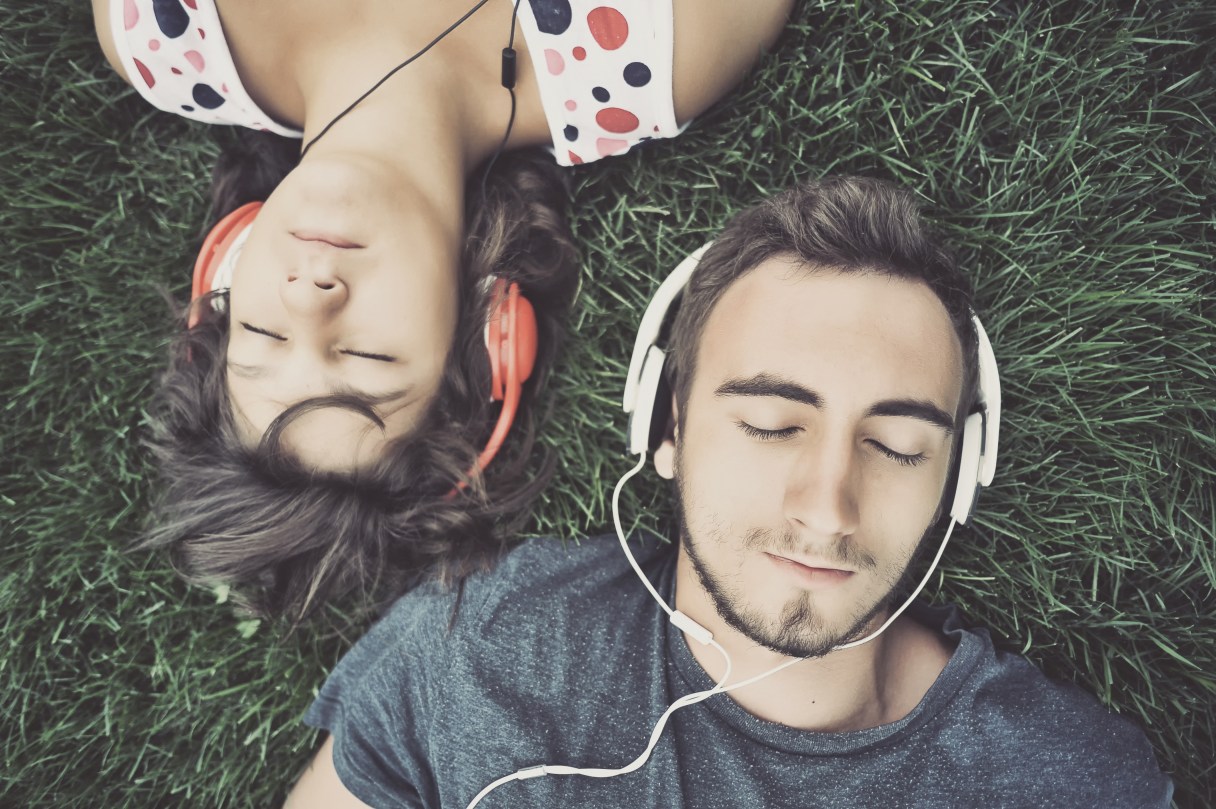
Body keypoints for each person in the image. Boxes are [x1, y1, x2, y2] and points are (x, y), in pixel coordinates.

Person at [282, 177, 1172, 808]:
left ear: (957, 479)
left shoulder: (1072, 781)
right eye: (773, 425)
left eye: (897, 446)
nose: (827, 507)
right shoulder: (484, 644)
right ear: (664, 429)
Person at [90, 0, 794, 621]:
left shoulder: (158, 35)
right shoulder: (655, 47)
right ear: (482, 326)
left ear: (226, 272)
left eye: (263, 330)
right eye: (365, 355)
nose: (309, 298)